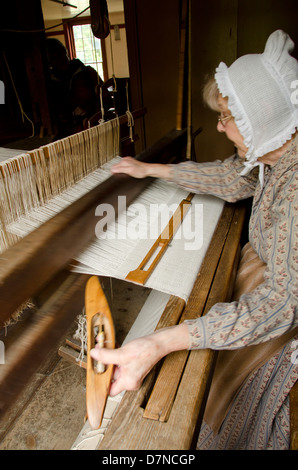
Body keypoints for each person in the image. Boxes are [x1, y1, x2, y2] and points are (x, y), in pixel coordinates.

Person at [91, 30, 298, 450]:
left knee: (218, 415)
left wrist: (164, 340)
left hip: (284, 320)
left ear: (260, 117)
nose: (220, 128)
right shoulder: (272, 157)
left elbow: (283, 303)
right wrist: (152, 171)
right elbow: (230, 177)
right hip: (271, 288)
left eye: (226, 117)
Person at [46, 38, 112, 138]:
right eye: (53, 58)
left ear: (66, 53)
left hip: (93, 132)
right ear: (49, 62)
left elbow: (107, 101)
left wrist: (88, 110)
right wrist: (58, 117)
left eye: (60, 54)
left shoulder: (87, 73)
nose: (58, 60)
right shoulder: (49, 83)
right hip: (66, 138)